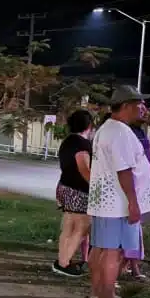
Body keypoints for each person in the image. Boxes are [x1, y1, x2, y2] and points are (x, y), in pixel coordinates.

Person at [87, 86, 150, 298]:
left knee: (100, 248)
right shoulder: (120, 132)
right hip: (117, 204)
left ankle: (97, 292)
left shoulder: (107, 128)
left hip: (105, 202)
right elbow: (124, 170)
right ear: (126, 105)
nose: (143, 108)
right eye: (139, 104)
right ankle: (106, 295)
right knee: (112, 252)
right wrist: (133, 204)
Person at [52, 109, 94, 277]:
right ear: (89, 125)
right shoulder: (82, 144)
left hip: (65, 186)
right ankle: (64, 263)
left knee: (69, 226)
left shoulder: (67, 141)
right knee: (81, 228)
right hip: (79, 191)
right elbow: (84, 168)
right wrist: (96, 187)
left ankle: (62, 260)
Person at [122, 112, 150, 281]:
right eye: (140, 109)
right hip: (129, 191)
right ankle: (127, 267)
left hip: (140, 189)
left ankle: (130, 266)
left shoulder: (140, 132)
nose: (145, 113)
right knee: (129, 229)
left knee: (134, 230)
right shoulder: (126, 132)